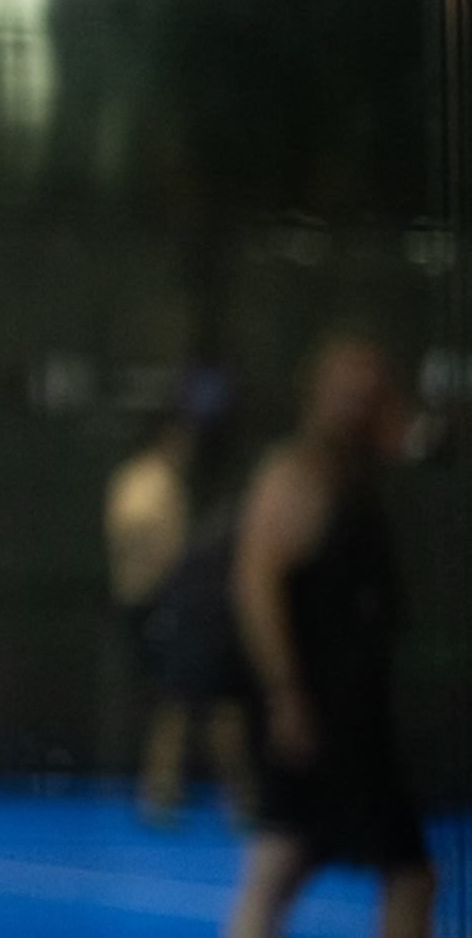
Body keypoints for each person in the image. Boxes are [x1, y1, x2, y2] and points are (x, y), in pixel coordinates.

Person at [222, 335, 433, 938]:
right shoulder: (297, 473)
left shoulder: (357, 473)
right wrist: (288, 695)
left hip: (354, 710)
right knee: (284, 869)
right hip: (319, 714)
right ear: (316, 394)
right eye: (348, 389)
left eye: (371, 390)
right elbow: (254, 586)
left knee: (297, 869)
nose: (360, 402)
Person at [108, 410, 251, 825]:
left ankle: (176, 792)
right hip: (163, 608)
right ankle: (178, 793)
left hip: (165, 607)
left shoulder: (145, 479)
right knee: (194, 702)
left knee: (189, 703)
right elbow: (136, 527)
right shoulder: (149, 481)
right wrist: (171, 570)